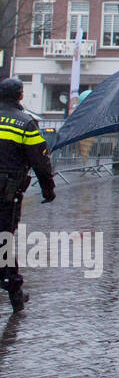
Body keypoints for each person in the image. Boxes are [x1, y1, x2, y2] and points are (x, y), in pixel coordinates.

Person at [0, 78, 55, 311]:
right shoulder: (25, 123)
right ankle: (14, 291)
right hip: (6, 194)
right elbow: (40, 162)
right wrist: (48, 189)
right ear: (20, 96)